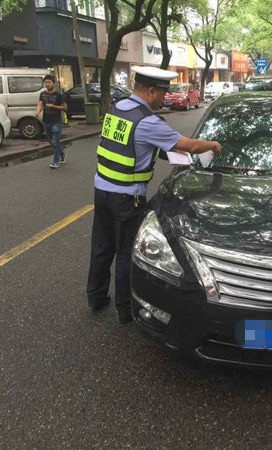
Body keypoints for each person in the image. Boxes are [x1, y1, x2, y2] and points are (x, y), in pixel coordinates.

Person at [86, 66, 222, 324]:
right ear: (150, 91)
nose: (165, 97)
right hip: (127, 198)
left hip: (102, 189)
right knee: (126, 253)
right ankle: (125, 309)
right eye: (162, 93)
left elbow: (130, 145)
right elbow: (190, 145)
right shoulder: (148, 121)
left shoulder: (116, 109)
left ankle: (96, 296)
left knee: (102, 247)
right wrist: (213, 145)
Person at [36, 75, 68, 169]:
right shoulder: (42, 94)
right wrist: (38, 111)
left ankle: (55, 162)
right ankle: (62, 154)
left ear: (53, 83)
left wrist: (53, 106)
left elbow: (65, 107)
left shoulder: (58, 95)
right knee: (51, 141)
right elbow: (40, 104)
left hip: (56, 121)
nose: (47, 84)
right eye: (46, 82)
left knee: (55, 141)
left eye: (49, 82)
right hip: (46, 121)